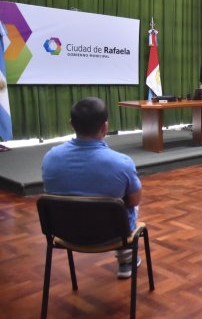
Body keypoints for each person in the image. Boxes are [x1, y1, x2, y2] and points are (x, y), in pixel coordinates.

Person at [42, 97, 142, 279]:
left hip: (65, 233)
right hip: (112, 235)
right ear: (105, 127)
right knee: (130, 205)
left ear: (72, 124)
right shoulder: (122, 163)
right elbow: (134, 201)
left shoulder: (50, 158)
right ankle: (126, 261)